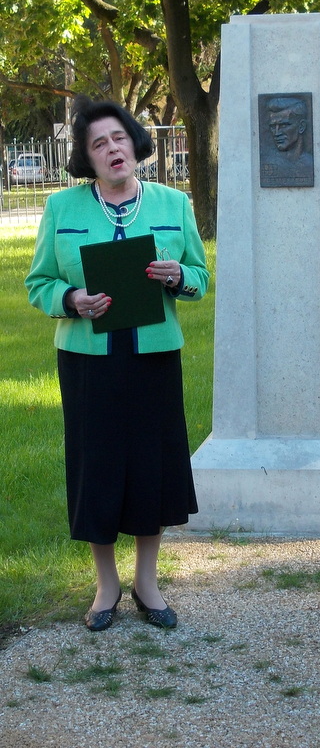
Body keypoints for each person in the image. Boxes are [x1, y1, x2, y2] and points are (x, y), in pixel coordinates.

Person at [25, 96, 209, 631]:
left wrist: (179, 276)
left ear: (135, 143)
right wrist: (70, 299)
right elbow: (38, 282)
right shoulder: (62, 208)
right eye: (99, 143)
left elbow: (200, 277)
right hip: (88, 359)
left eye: (119, 138)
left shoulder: (174, 204)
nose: (112, 149)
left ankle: (147, 582)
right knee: (98, 465)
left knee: (153, 464)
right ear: (87, 157)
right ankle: (106, 585)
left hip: (154, 354)